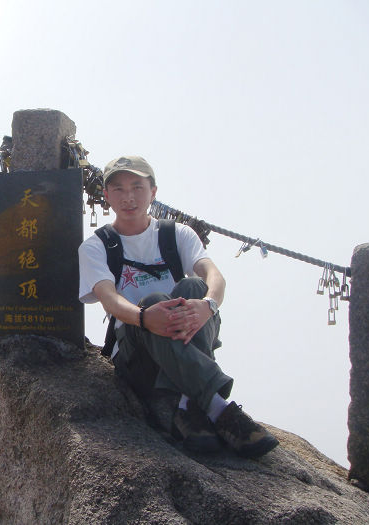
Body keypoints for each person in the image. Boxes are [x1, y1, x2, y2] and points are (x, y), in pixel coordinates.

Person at [78, 155, 279, 458]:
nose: (128, 197)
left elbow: (214, 276)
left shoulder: (177, 234)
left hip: (184, 335)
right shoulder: (96, 246)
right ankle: (220, 409)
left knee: (195, 288)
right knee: (155, 302)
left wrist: (208, 306)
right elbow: (109, 298)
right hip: (136, 351)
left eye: (137, 187)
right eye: (118, 189)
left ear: (153, 192)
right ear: (106, 195)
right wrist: (144, 317)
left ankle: (187, 405)